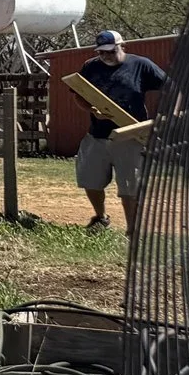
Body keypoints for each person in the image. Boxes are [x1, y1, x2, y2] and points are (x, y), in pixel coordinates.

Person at [76, 30, 167, 232]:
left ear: (122, 46)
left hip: (130, 135)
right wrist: (90, 109)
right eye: (102, 52)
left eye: (111, 51)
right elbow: (78, 92)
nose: (106, 56)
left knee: (129, 187)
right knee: (91, 181)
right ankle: (100, 218)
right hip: (97, 135)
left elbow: (171, 87)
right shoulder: (91, 67)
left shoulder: (141, 65)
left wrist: (172, 114)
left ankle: (133, 230)